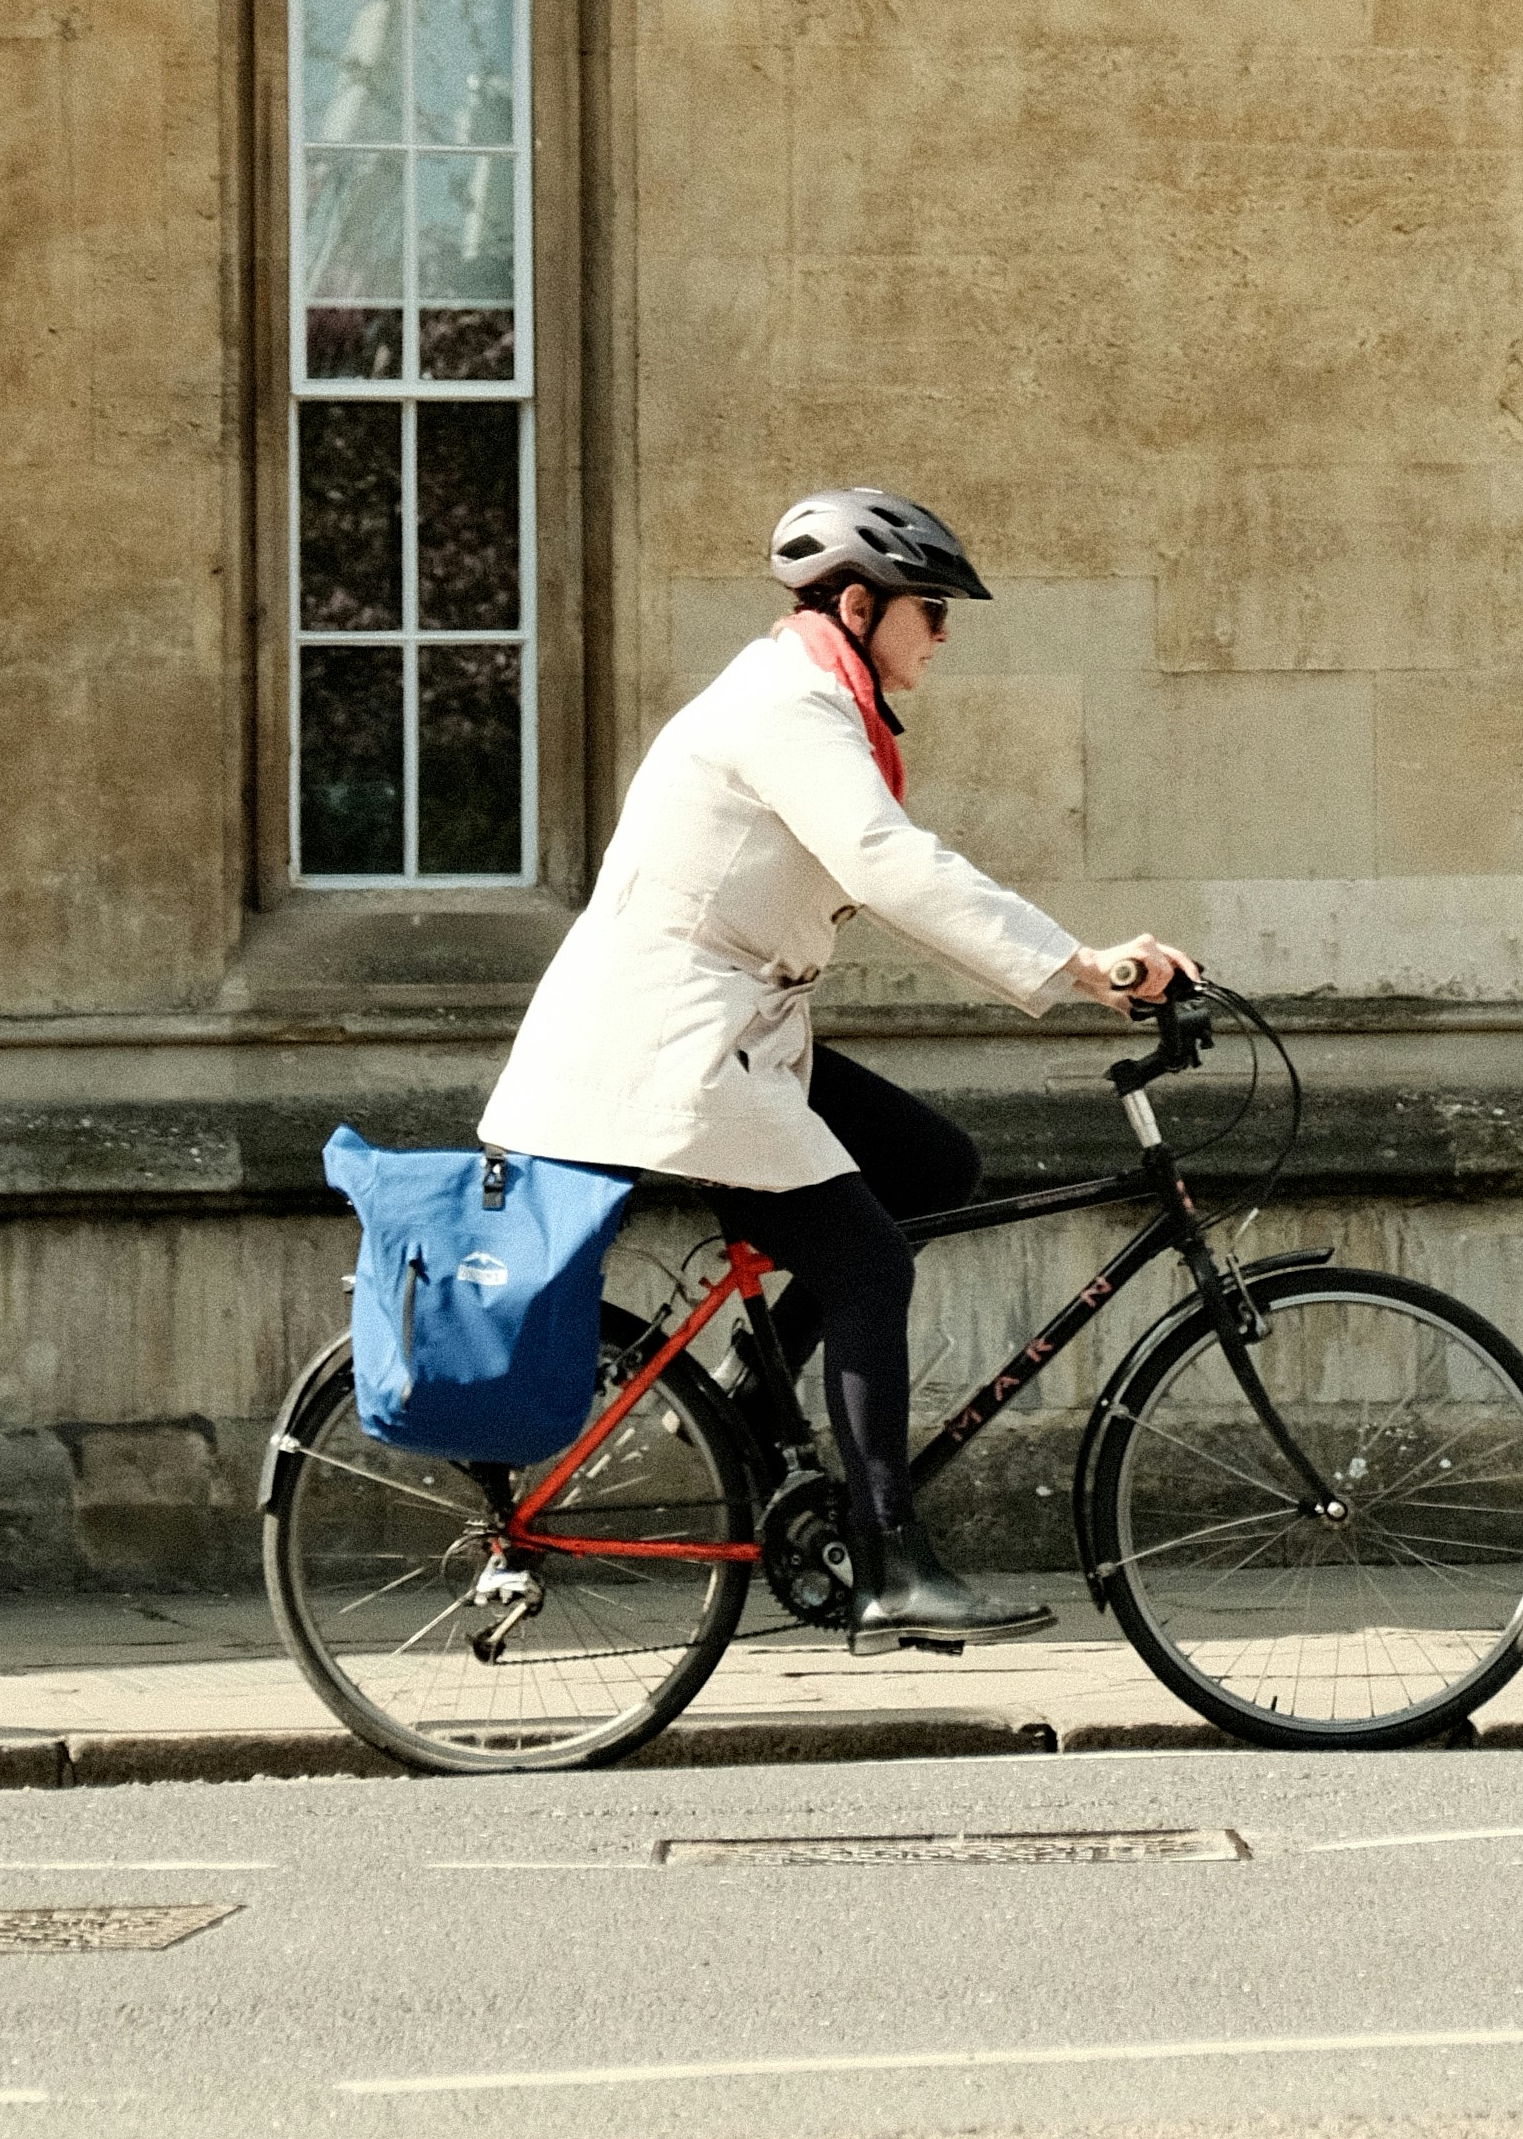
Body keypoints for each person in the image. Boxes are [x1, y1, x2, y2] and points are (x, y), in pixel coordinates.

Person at [479, 487, 1195, 1649]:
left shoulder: (808, 694)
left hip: (731, 1032)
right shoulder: (787, 704)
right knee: (867, 1265)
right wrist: (1084, 967)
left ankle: (758, 1395)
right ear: (858, 605)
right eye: (932, 611)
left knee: (929, 1163)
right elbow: (888, 862)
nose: (945, 636)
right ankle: (887, 1561)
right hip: (679, 1046)